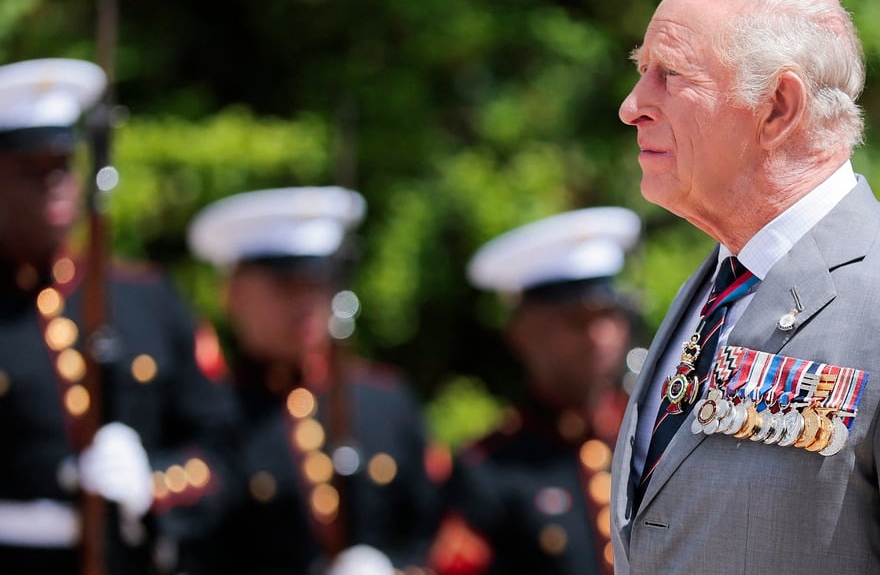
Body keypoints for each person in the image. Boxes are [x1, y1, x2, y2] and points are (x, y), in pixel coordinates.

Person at [608, 0, 880, 574]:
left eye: (670, 74)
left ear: (777, 109)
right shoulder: (714, 292)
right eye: (641, 71)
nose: (633, 105)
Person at [0, 58, 239, 574]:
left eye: (63, 165)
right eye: (29, 170)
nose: (54, 184)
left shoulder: (146, 298)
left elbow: (221, 449)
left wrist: (152, 482)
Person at [187, 186, 441, 575]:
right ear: (233, 293)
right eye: (285, 286)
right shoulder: (211, 412)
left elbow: (433, 530)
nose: (307, 303)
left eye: (319, 283)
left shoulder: (384, 402)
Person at [429, 207, 645, 575]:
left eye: (607, 314)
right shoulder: (489, 470)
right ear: (523, 334)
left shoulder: (648, 437)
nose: (597, 335)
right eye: (575, 319)